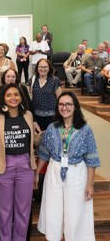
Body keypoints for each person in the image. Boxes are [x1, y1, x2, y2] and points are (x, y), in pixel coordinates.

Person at [35, 92, 100, 241]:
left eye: (68, 104)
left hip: (77, 172)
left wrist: (90, 184)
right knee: (53, 209)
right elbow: (44, 154)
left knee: (75, 211)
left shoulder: (85, 129)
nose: (64, 107)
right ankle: (53, 237)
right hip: (54, 171)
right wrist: (36, 174)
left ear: (75, 107)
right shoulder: (52, 127)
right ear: (57, 107)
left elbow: (91, 159)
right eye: (61, 104)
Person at [0, 83, 36, 241]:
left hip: (25, 165)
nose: (13, 98)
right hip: (3, 166)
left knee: (23, 211)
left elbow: (33, 140)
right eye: (8, 95)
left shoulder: (28, 115)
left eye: (16, 94)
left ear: (21, 97)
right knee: (5, 211)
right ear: (3, 98)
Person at [28, 58, 62, 132]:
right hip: (36, 117)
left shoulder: (54, 80)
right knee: (38, 140)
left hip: (52, 117)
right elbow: (28, 96)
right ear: (37, 68)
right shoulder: (32, 79)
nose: (43, 69)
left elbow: (60, 99)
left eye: (45, 67)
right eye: (40, 67)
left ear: (49, 68)